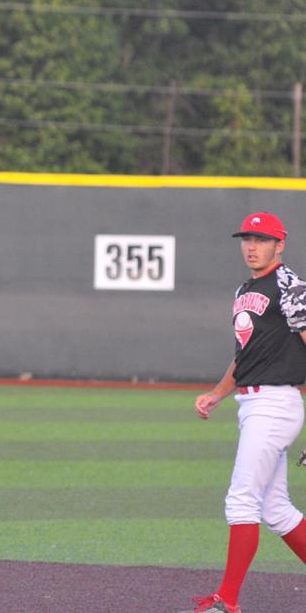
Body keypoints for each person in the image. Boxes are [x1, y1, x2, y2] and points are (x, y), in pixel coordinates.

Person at [191, 212, 306, 613]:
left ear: (280, 244)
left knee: (241, 501)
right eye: (247, 239)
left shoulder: (291, 287)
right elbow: (246, 355)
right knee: (275, 510)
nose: (252, 246)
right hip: (253, 402)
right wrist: (218, 394)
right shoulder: (246, 288)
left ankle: (228, 598)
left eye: (261, 239)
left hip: (276, 403)